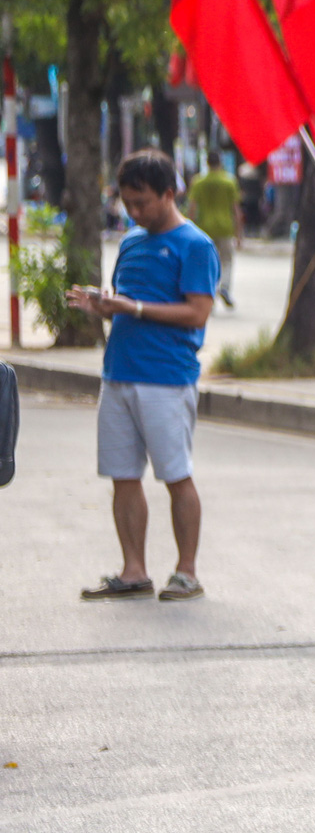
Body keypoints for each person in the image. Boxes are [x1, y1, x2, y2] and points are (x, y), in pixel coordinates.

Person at [67, 149, 219, 603]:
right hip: (118, 374)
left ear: (169, 194)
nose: (135, 212)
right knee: (122, 474)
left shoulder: (195, 245)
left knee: (175, 474)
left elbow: (197, 312)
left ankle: (186, 571)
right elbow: (129, 300)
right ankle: (134, 569)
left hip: (166, 379)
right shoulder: (132, 242)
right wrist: (103, 304)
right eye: (128, 203)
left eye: (143, 203)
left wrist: (132, 307)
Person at [187, 151, 243, 309]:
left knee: (207, 263)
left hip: (204, 229)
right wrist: (239, 234)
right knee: (226, 261)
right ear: (220, 162)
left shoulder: (198, 182)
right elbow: (236, 209)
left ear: (207, 163)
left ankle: (210, 290)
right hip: (225, 228)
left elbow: (192, 208)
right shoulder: (229, 181)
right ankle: (224, 287)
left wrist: (189, 229)